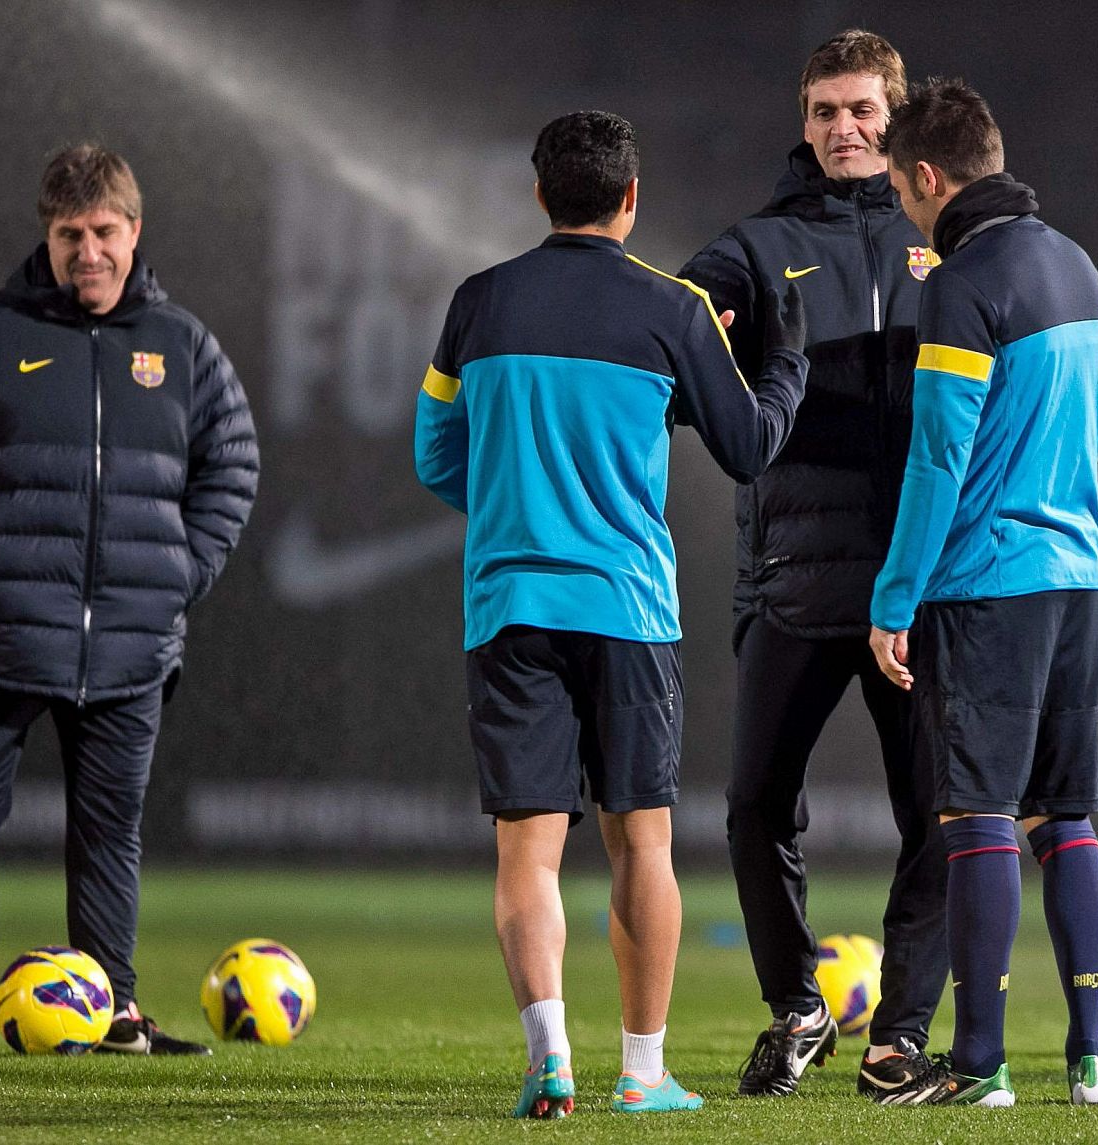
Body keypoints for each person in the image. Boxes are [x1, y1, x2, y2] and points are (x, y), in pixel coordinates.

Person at [414, 110, 807, 1119]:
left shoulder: (479, 303)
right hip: (627, 611)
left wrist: (519, 502)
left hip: (509, 605)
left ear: (540, 194)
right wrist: (786, 362)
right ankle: (641, 1070)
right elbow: (750, 444)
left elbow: (436, 455)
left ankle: (550, 1059)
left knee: (526, 852)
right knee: (641, 842)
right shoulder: (671, 310)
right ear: (631, 198)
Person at [0, 143, 259, 1055]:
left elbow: (234, 463)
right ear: (45, 237)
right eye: (68, 235)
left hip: (131, 641)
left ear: (134, 232)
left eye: (102, 232)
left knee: (109, 835)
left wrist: (177, 573)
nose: (86, 252)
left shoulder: (182, 346)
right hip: (1, 632)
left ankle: (113, 1006)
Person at [679, 28, 950, 1099]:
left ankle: (899, 1036)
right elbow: (672, 344)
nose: (845, 127)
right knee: (753, 804)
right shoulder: (751, 248)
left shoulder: (949, 239)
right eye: (827, 110)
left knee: (935, 811)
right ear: (804, 121)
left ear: (898, 118)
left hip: (917, 589)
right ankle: (797, 1007)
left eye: (864, 110)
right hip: (791, 576)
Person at [867, 79, 1098, 1107]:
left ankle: (977, 1063)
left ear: (926, 176)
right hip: (1078, 578)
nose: (899, 203)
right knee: (1065, 817)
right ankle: (1092, 1058)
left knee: (974, 812)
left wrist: (893, 597)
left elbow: (938, 458)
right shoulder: (1075, 263)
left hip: (986, 585)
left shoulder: (963, 285)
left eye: (898, 185)